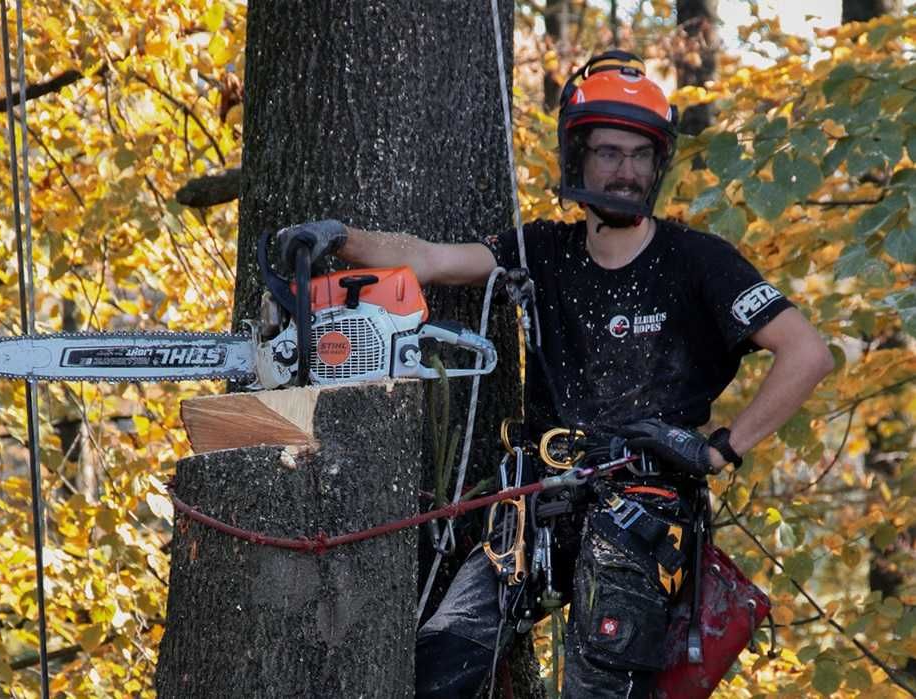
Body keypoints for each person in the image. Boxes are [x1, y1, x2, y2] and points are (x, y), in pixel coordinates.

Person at [277, 50, 834, 698]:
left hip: (641, 507)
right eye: (608, 152)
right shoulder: (541, 251)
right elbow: (425, 258)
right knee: (440, 662)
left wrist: (720, 448)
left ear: (657, 165)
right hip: (536, 504)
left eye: (638, 155)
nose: (623, 171)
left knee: (602, 674)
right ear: (578, 156)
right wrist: (338, 236)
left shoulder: (697, 261)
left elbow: (806, 352)